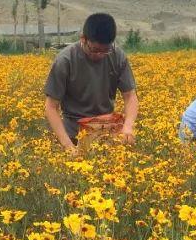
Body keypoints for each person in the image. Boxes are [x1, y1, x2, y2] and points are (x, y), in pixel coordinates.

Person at [43, 13, 139, 156]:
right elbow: (51, 107)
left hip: (107, 133)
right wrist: (68, 146)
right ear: (83, 39)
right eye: (94, 50)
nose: (99, 55)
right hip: (74, 134)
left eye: (105, 50)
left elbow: (130, 96)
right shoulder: (65, 60)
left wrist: (128, 126)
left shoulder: (117, 56)